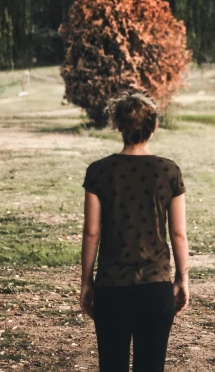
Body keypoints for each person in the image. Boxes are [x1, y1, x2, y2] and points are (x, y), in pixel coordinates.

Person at [79, 90, 190, 372]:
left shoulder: (99, 171)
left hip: (111, 288)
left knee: (112, 365)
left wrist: (86, 282)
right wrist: (182, 278)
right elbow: (178, 234)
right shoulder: (169, 171)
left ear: (118, 127)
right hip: (155, 287)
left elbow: (92, 232)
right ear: (153, 126)